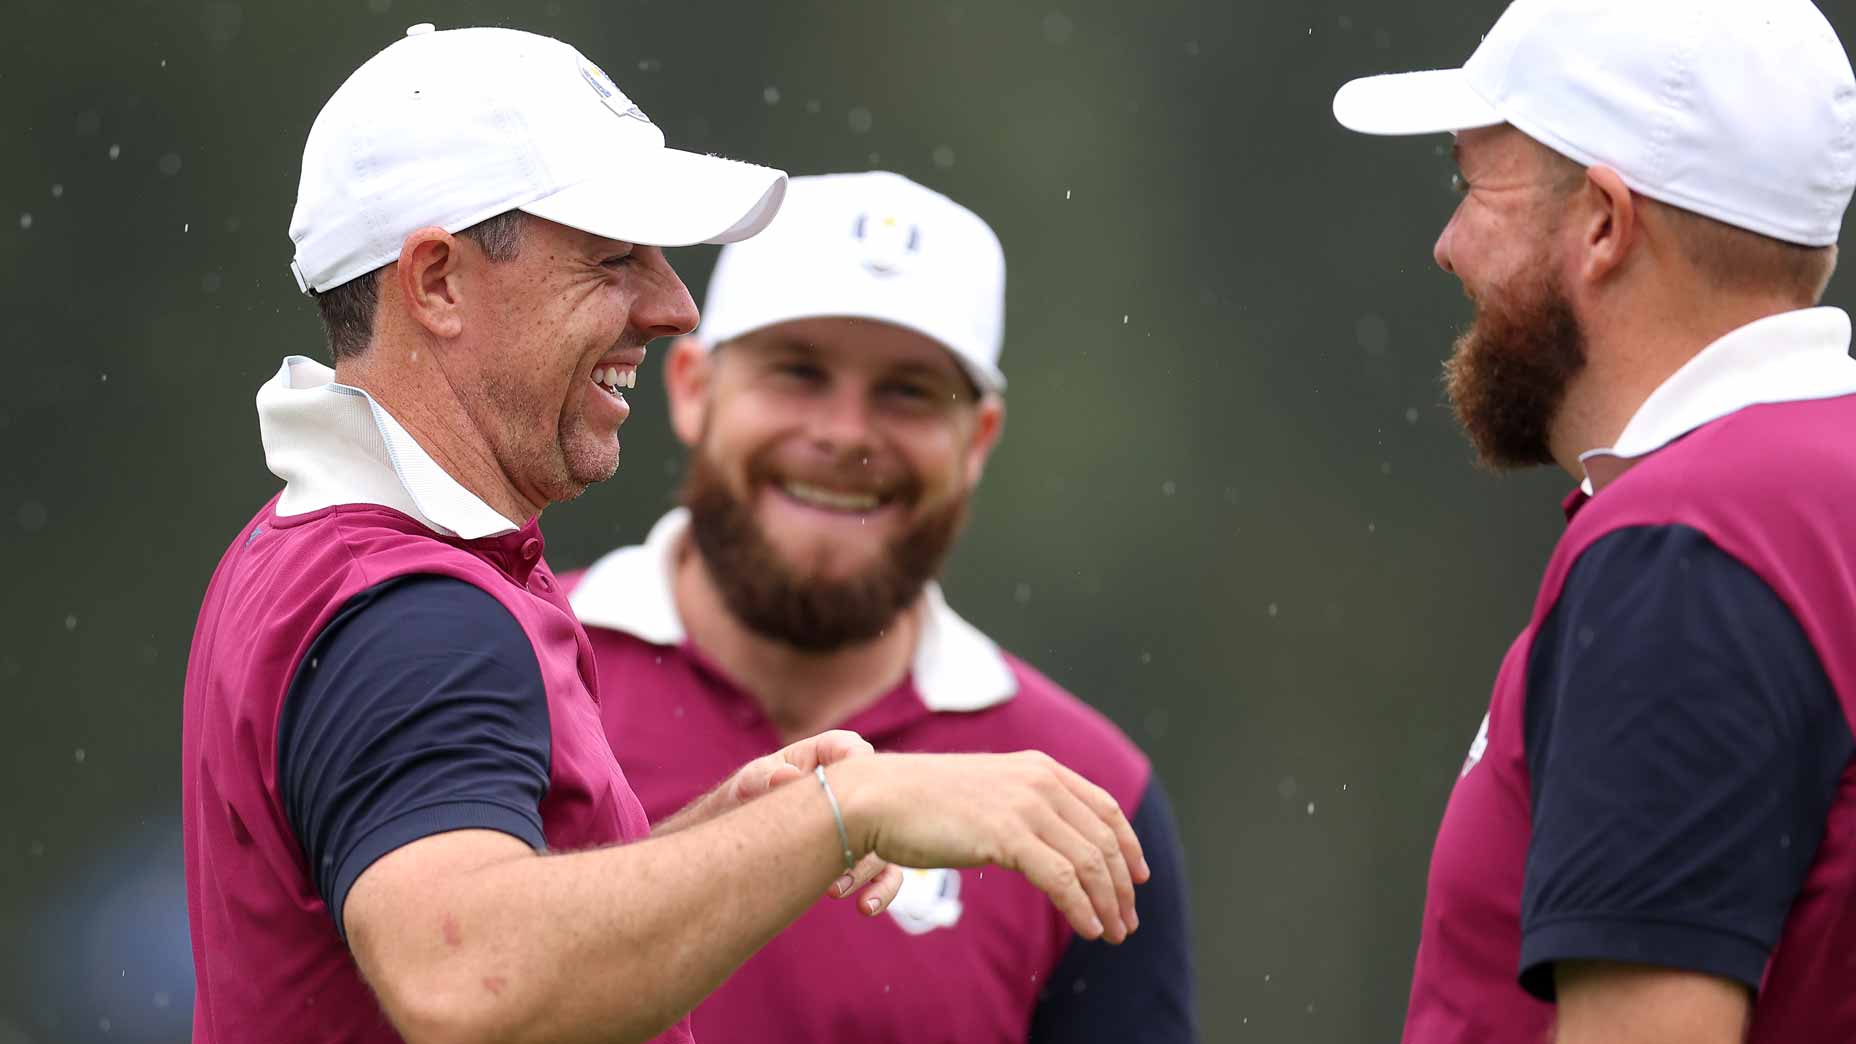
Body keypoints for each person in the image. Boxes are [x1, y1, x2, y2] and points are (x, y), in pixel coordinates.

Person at [182, 25, 1147, 1044]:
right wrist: (841, 812)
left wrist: (723, 836)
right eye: (611, 258)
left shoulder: (330, 555)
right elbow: (467, 977)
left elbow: (460, 940)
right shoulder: (418, 613)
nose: (673, 304)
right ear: (436, 282)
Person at [564, 171, 1196, 1043]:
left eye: (907, 391)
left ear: (978, 441)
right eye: (798, 372)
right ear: (693, 389)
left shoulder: (1089, 790)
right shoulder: (510, 665)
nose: (847, 434)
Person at [1332, 1, 1856, 1041]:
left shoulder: (1688, 551)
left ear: (1605, 224)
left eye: (1473, 187)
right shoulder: (1795, 504)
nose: (1446, 247)